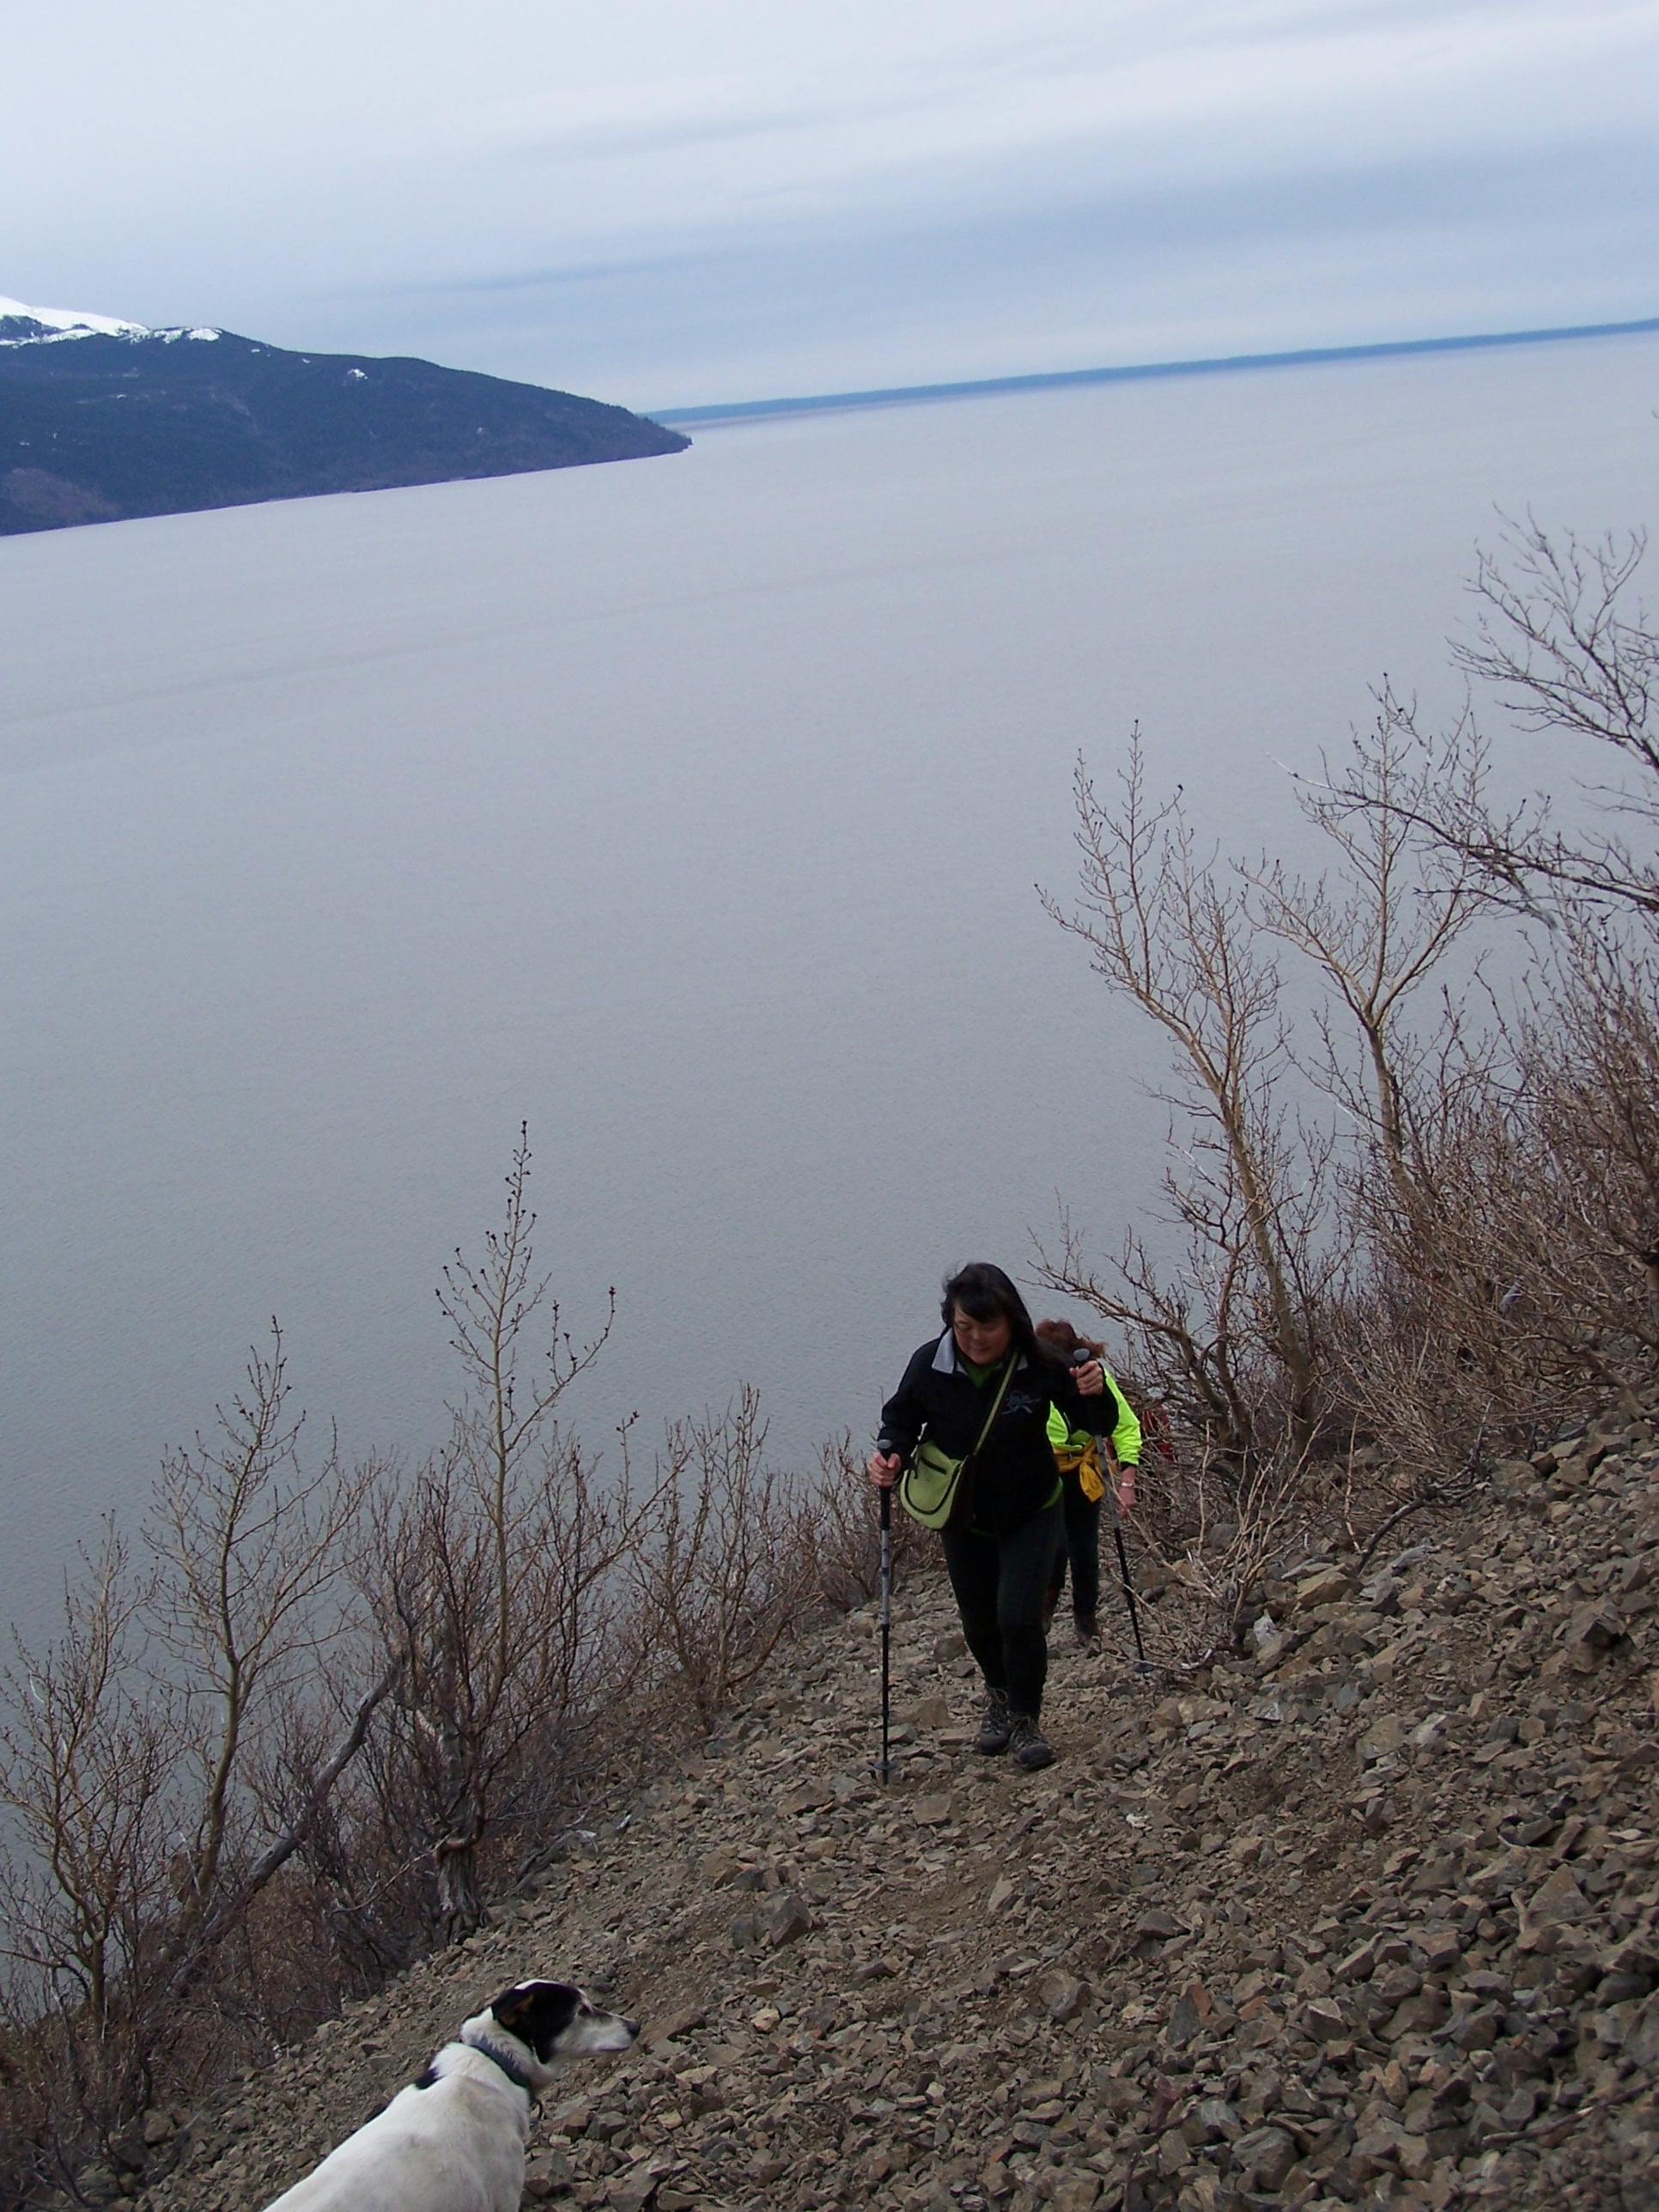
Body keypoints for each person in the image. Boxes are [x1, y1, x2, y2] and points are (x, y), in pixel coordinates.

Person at [867, 1263, 1108, 1771]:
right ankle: (997, 1693)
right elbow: (901, 1419)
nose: (975, 1338)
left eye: (988, 1326)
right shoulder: (931, 1364)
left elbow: (1094, 1423)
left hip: (1033, 1509)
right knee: (978, 1623)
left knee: (1018, 1618)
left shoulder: (1042, 1363)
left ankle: (1025, 1717)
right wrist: (890, 1453)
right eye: (964, 1326)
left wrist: (1095, 1390)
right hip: (965, 1517)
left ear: (1012, 1322)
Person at [1033, 1318, 1141, 1649]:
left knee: (1084, 1548)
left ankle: (1086, 1617)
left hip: (1083, 1471)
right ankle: (1043, 1608)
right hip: (1042, 1473)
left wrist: (1127, 1482)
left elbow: (1124, 1426)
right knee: (1053, 1546)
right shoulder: (1028, 1378)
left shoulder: (1093, 1379)